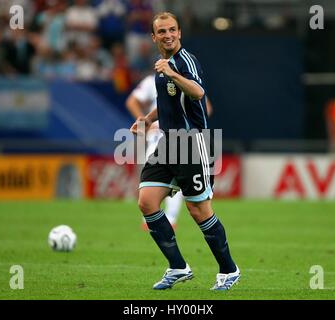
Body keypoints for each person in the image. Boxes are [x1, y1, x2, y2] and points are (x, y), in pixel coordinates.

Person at [129, 12, 239, 291]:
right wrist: (148, 120)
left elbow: (198, 92)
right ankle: (178, 266)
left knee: (199, 210)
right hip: (168, 143)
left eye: (172, 30)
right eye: (162, 31)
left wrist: (172, 73)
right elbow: (168, 103)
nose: (168, 35)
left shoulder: (184, 62)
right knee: (146, 202)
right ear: (154, 37)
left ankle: (229, 270)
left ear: (179, 33)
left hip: (192, 144)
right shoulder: (163, 65)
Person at [126, 73, 213, 230]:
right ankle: (151, 218)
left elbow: (206, 106)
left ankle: (170, 218)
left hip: (180, 137)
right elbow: (132, 101)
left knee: (177, 179)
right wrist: (144, 120)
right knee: (151, 175)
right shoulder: (151, 81)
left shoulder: (185, 81)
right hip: (156, 136)